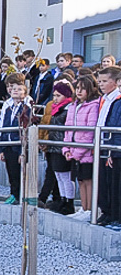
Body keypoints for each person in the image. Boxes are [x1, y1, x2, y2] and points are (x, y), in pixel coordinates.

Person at [63, 75, 100, 220]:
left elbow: (89, 131)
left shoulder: (93, 105)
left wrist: (77, 152)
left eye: (83, 89)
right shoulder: (73, 105)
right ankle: (83, 208)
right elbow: (67, 128)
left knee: (88, 180)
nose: (79, 91)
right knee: (80, 180)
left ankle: (90, 209)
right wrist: (66, 148)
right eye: (77, 88)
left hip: (85, 151)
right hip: (73, 149)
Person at [96, 66, 121, 225]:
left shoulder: (117, 100)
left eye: (105, 81)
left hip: (113, 147)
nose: (101, 84)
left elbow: (116, 125)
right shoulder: (105, 99)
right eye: (99, 81)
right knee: (104, 182)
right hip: (103, 144)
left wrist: (113, 151)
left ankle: (116, 215)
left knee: (115, 184)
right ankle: (107, 212)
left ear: (117, 82)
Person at [0, 73, 28, 204]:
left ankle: (21, 195)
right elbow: (3, 124)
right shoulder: (8, 105)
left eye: (18, 89)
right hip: (8, 142)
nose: (13, 90)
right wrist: (2, 148)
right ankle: (13, 194)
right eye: (11, 88)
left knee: (19, 172)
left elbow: (27, 126)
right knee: (11, 171)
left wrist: (24, 150)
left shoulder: (27, 105)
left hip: (19, 143)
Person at [47, 81, 75, 215]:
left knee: (66, 176)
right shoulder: (57, 108)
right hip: (54, 145)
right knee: (58, 175)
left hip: (63, 146)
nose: (55, 98)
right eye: (54, 95)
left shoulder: (68, 108)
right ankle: (62, 199)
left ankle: (69, 202)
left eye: (58, 95)